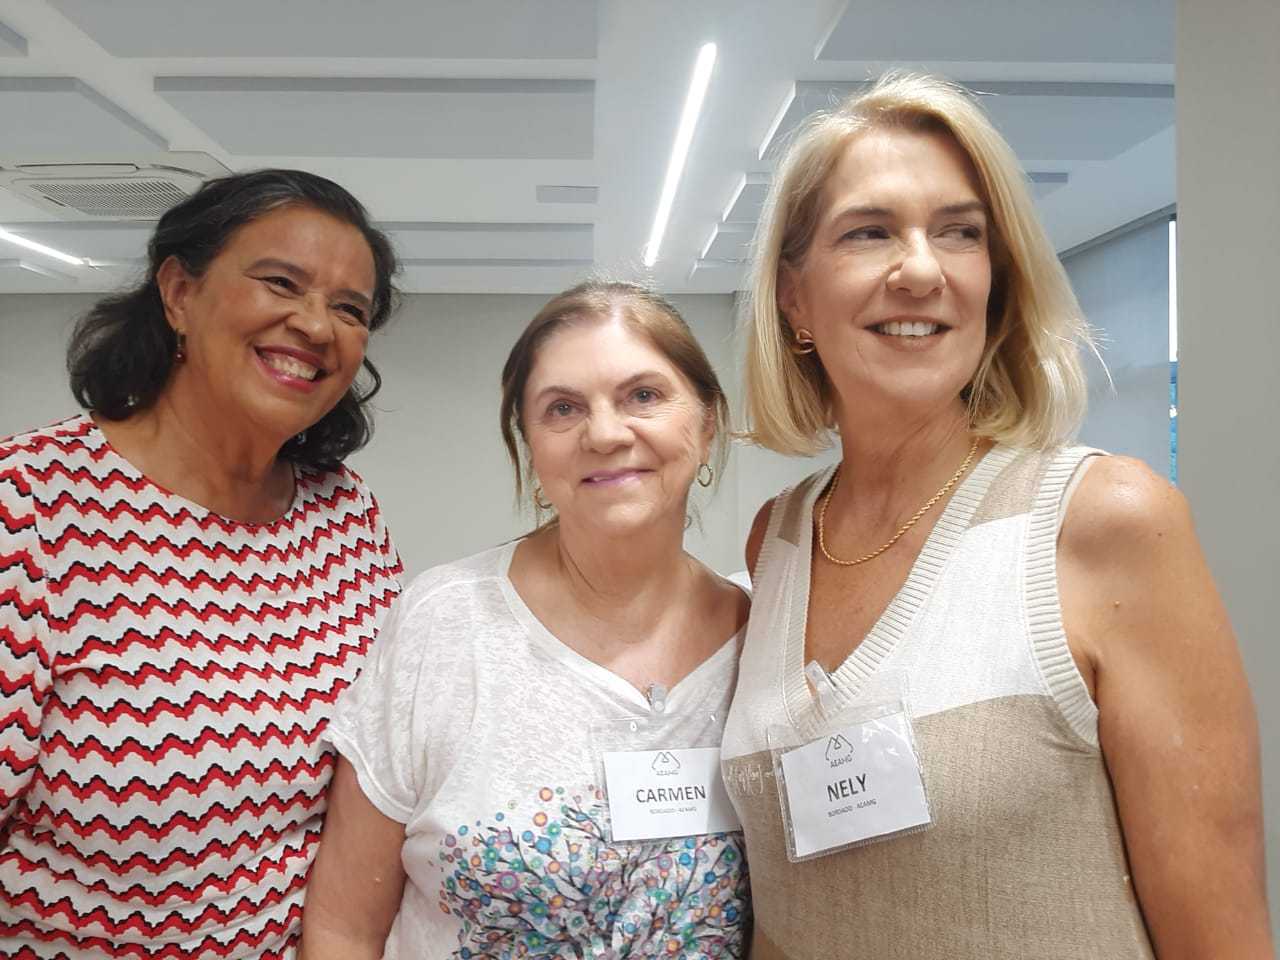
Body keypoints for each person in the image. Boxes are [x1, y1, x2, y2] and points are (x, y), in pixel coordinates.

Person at [721, 74, 1271, 958]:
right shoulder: (778, 538)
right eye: (870, 231)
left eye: (960, 232)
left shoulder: (1104, 521)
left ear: (994, 282)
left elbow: (1222, 939)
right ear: (794, 298)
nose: (922, 269)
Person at [0, 169, 404, 959]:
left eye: (350, 309)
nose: (315, 325)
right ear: (180, 292)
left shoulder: (345, 514)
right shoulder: (30, 504)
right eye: (280, 282)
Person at [300, 281, 751, 958]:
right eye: (563, 408)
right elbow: (343, 928)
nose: (605, 433)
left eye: (643, 395)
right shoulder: (444, 625)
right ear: (531, 445)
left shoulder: (764, 637)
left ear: (707, 422)